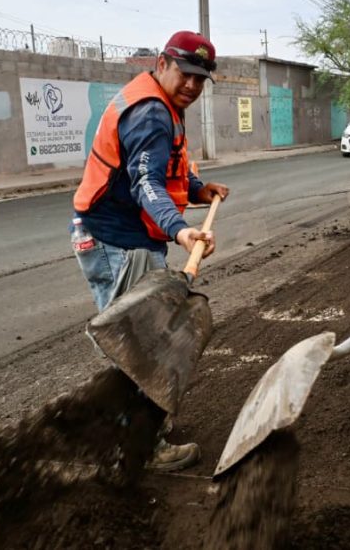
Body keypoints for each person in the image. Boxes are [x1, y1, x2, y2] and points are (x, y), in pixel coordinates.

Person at [71, 30, 229, 472]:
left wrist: (199, 189)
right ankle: (137, 446)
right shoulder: (152, 114)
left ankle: (132, 434)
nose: (193, 86)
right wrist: (181, 231)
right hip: (119, 240)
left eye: (201, 79)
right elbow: (145, 183)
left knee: (138, 336)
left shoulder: (162, 105)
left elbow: (160, 169)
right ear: (162, 64)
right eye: (186, 74)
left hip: (114, 234)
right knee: (139, 342)